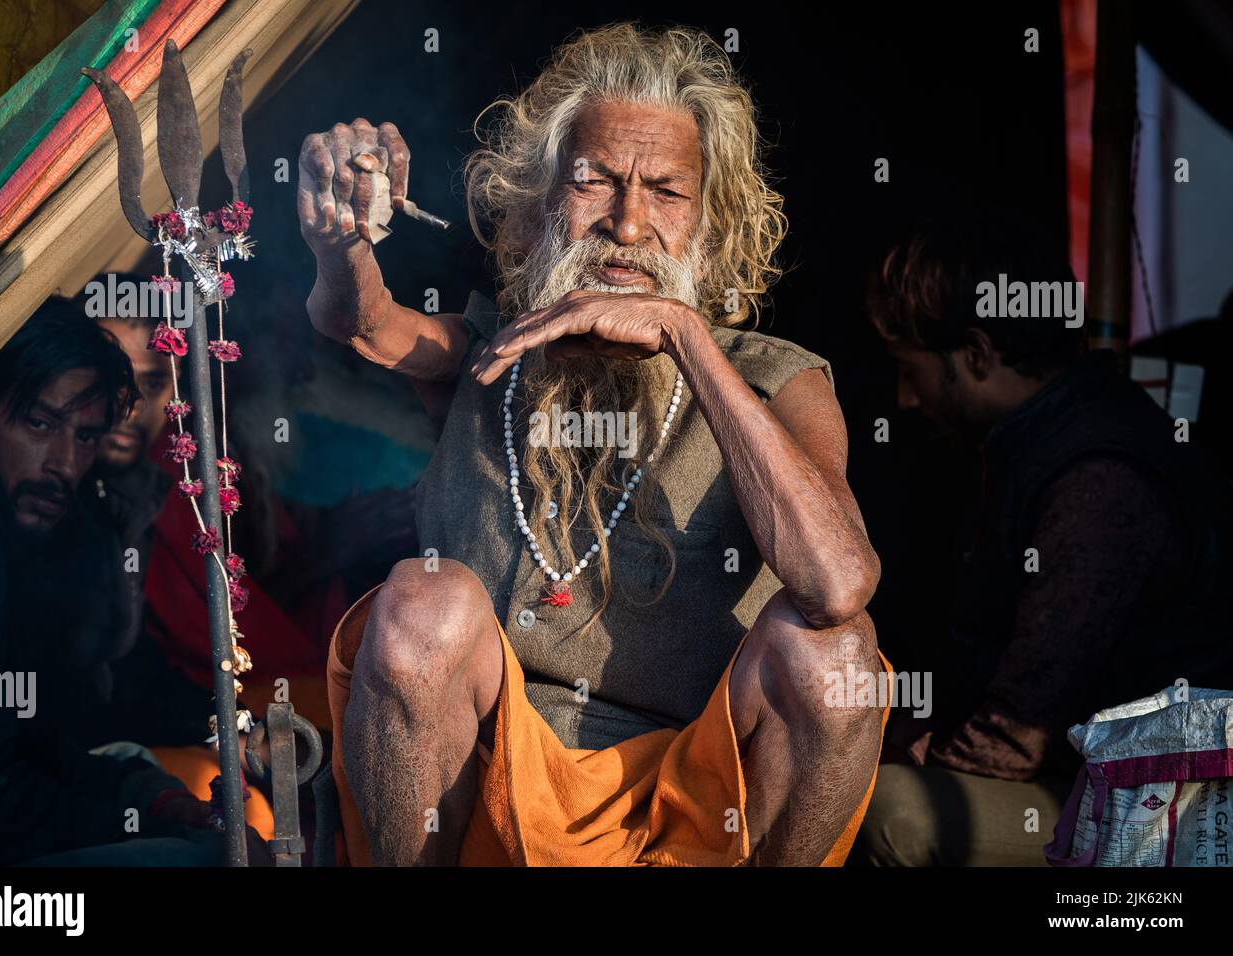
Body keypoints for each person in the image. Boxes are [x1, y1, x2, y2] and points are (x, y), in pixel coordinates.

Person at [303, 23, 890, 866]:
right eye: (593, 181)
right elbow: (357, 323)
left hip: (699, 811)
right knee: (424, 603)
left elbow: (839, 584)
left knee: (838, 660)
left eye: (667, 192)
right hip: (490, 791)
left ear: (712, 225)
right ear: (539, 205)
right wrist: (342, 239)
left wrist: (685, 336)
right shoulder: (488, 353)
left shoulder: (774, 379)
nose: (627, 222)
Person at [849, 217, 1233, 866]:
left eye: (909, 370)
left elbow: (1010, 741)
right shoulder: (1031, 445)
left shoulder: (1100, 481)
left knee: (890, 814)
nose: (905, 398)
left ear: (975, 354)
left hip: (1158, 802)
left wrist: (898, 752)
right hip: (1091, 775)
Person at [0, 300, 232, 865]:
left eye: (87, 437)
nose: (64, 464)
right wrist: (140, 828)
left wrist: (143, 797)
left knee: (139, 769)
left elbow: (13, 742)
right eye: (40, 424)